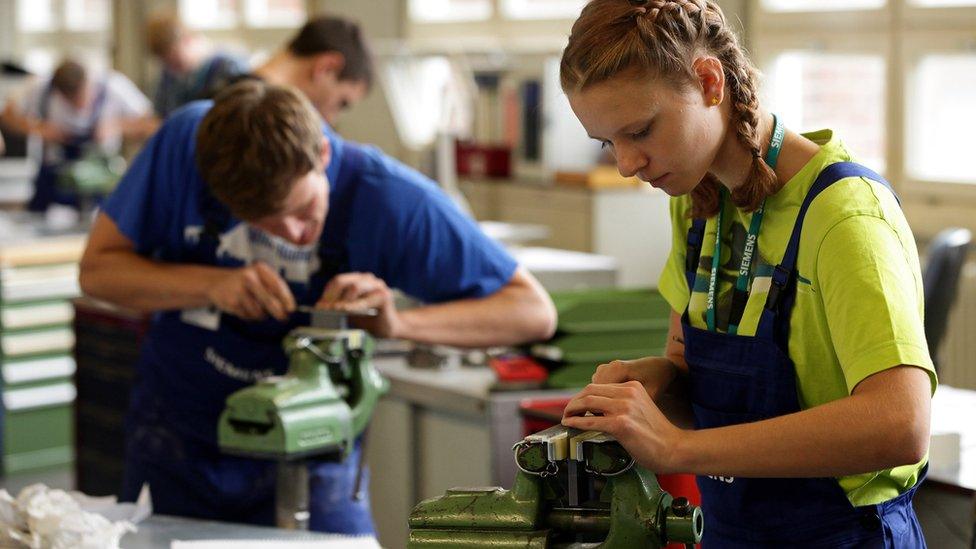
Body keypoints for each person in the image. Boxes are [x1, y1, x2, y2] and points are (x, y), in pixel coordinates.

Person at [79, 80, 556, 533]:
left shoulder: (390, 199)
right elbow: (97, 272)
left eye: (304, 211)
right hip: (179, 442)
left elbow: (531, 311)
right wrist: (209, 285)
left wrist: (397, 323)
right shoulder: (186, 144)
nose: (292, 235)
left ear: (323, 154)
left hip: (315, 453)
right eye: (264, 224)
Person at [558, 1, 935, 547]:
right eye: (608, 142)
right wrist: (658, 383)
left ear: (709, 81)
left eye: (639, 131)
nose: (625, 164)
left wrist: (676, 449)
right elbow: (692, 373)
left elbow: (899, 425)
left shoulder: (844, 215)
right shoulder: (695, 203)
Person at [1, 59, 155, 211]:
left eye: (82, 96)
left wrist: (117, 125)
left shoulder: (113, 86)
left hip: (99, 180)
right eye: (70, 100)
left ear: (88, 82)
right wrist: (38, 129)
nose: (78, 105)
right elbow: (6, 116)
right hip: (54, 177)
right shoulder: (41, 88)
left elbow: (152, 124)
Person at [146, 12, 249, 118]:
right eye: (166, 62)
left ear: (188, 40)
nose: (172, 67)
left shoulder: (229, 66)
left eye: (175, 60)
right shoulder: (170, 73)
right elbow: (160, 113)